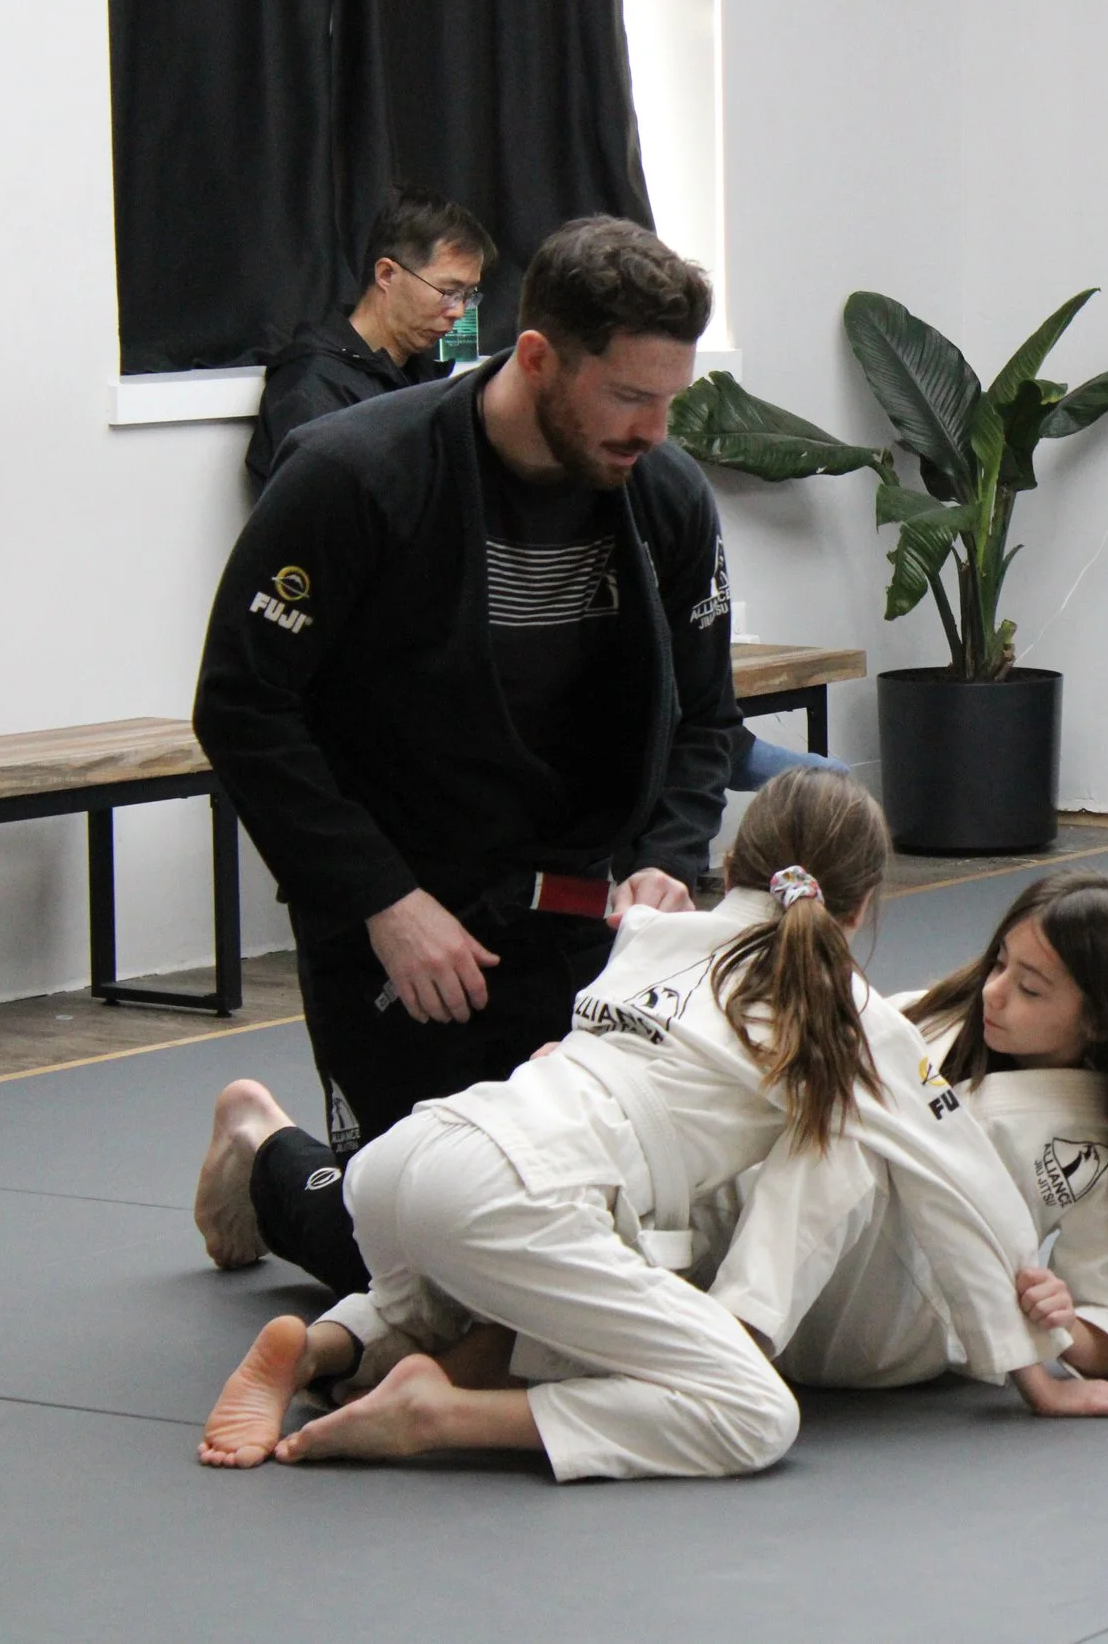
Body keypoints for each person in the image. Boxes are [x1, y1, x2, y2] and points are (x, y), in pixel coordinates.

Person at [197, 769, 1108, 1481]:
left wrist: (1058, 1344)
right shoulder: (850, 1014)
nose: (994, 994)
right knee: (750, 1413)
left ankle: (325, 1347)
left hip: (415, 1149)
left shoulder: (654, 933)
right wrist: (1032, 1369)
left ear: (734, 863)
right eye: (1002, 969)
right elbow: (960, 1177)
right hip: (525, 1192)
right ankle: (440, 1414)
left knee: (518, 1275)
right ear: (867, 907)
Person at [192, 217, 739, 1296]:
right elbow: (243, 705)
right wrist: (382, 902)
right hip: (408, 925)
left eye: (669, 396)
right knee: (425, 1266)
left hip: (588, 919)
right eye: (629, 396)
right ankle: (263, 1150)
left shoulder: (663, 494)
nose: (654, 426)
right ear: (536, 357)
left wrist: (667, 856)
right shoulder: (356, 476)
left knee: (630, 1233)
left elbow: (705, 717)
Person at [722, 871, 1108, 1391]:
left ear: (1102, 1021)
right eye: (999, 963)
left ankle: (729, 1342)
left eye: (1031, 988)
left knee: (853, 1134)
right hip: (762, 1255)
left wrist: (1066, 1323)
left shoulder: (1096, 1149)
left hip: (882, 1320)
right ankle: (711, 1317)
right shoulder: (924, 1019)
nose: (993, 992)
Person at [244, 184, 494, 487]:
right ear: (387, 274)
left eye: (468, 295)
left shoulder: (423, 377)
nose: (459, 311)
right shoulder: (313, 388)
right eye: (449, 292)